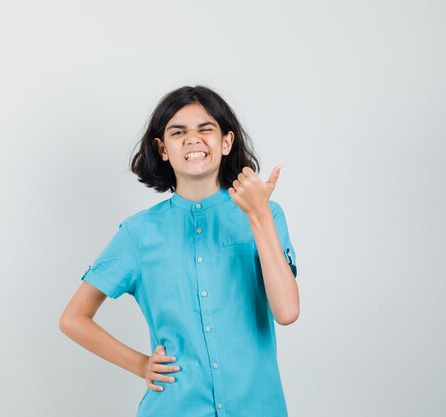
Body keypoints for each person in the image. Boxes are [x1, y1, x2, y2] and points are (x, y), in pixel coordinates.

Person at [59, 85, 300, 417]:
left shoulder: (267, 215)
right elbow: (73, 319)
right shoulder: (138, 233)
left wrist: (257, 214)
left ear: (226, 142)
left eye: (206, 129)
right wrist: (142, 365)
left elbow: (286, 311)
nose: (193, 139)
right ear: (162, 148)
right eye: (178, 132)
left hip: (257, 407)